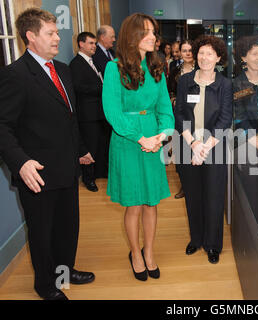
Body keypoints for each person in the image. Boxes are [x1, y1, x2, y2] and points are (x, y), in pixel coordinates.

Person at [0, 8, 95, 300]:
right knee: (43, 233)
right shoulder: (15, 75)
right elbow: (2, 125)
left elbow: (69, 117)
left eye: (56, 31)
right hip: (37, 174)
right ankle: (45, 285)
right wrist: (21, 162)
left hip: (67, 168)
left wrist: (81, 151)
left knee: (68, 228)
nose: (58, 37)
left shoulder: (63, 69)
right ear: (30, 37)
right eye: (51, 33)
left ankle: (64, 273)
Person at [102, 13, 174, 281]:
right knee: (133, 204)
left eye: (153, 32)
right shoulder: (114, 69)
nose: (153, 37)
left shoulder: (157, 69)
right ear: (132, 36)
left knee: (151, 202)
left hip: (153, 141)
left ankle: (150, 252)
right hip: (127, 141)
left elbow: (166, 110)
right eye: (146, 32)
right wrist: (140, 138)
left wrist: (161, 136)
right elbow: (113, 112)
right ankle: (135, 253)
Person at [174, 35, 232, 264]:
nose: (204, 57)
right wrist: (193, 144)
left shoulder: (225, 84)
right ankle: (196, 239)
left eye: (210, 53)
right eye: (201, 52)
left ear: (218, 57)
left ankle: (213, 244)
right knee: (193, 195)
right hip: (188, 145)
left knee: (214, 197)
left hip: (214, 148)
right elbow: (179, 113)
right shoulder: (185, 81)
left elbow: (225, 119)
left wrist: (205, 147)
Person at [232, 36, 258, 233]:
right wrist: (254, 139)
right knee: (253, 192)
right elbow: (238, 117)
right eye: (254, 53)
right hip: (247, 143)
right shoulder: (238, 84)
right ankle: (253, 234)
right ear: (244, 58)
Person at [69, 32, 110, 192]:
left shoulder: (93, 62)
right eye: (91, 43)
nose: (94, 46)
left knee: (101, 144)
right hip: (87, 115)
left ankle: (101, 172)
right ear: (81, 44)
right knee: (90, 147)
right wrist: (102, 88)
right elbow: (78, 87)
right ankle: (88, 178)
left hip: (99, 112)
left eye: (94, 43)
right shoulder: (76, 64)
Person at [167, 40, 195, 199]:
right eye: (184, 51)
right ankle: (184, 187)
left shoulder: (202, 69)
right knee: (182, 152)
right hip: (180, 115)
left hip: (197, 116)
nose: (188, 53)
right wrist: (173, 100)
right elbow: (170, 90)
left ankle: (196, 185)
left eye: (190, 50)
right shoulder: (175, 70)